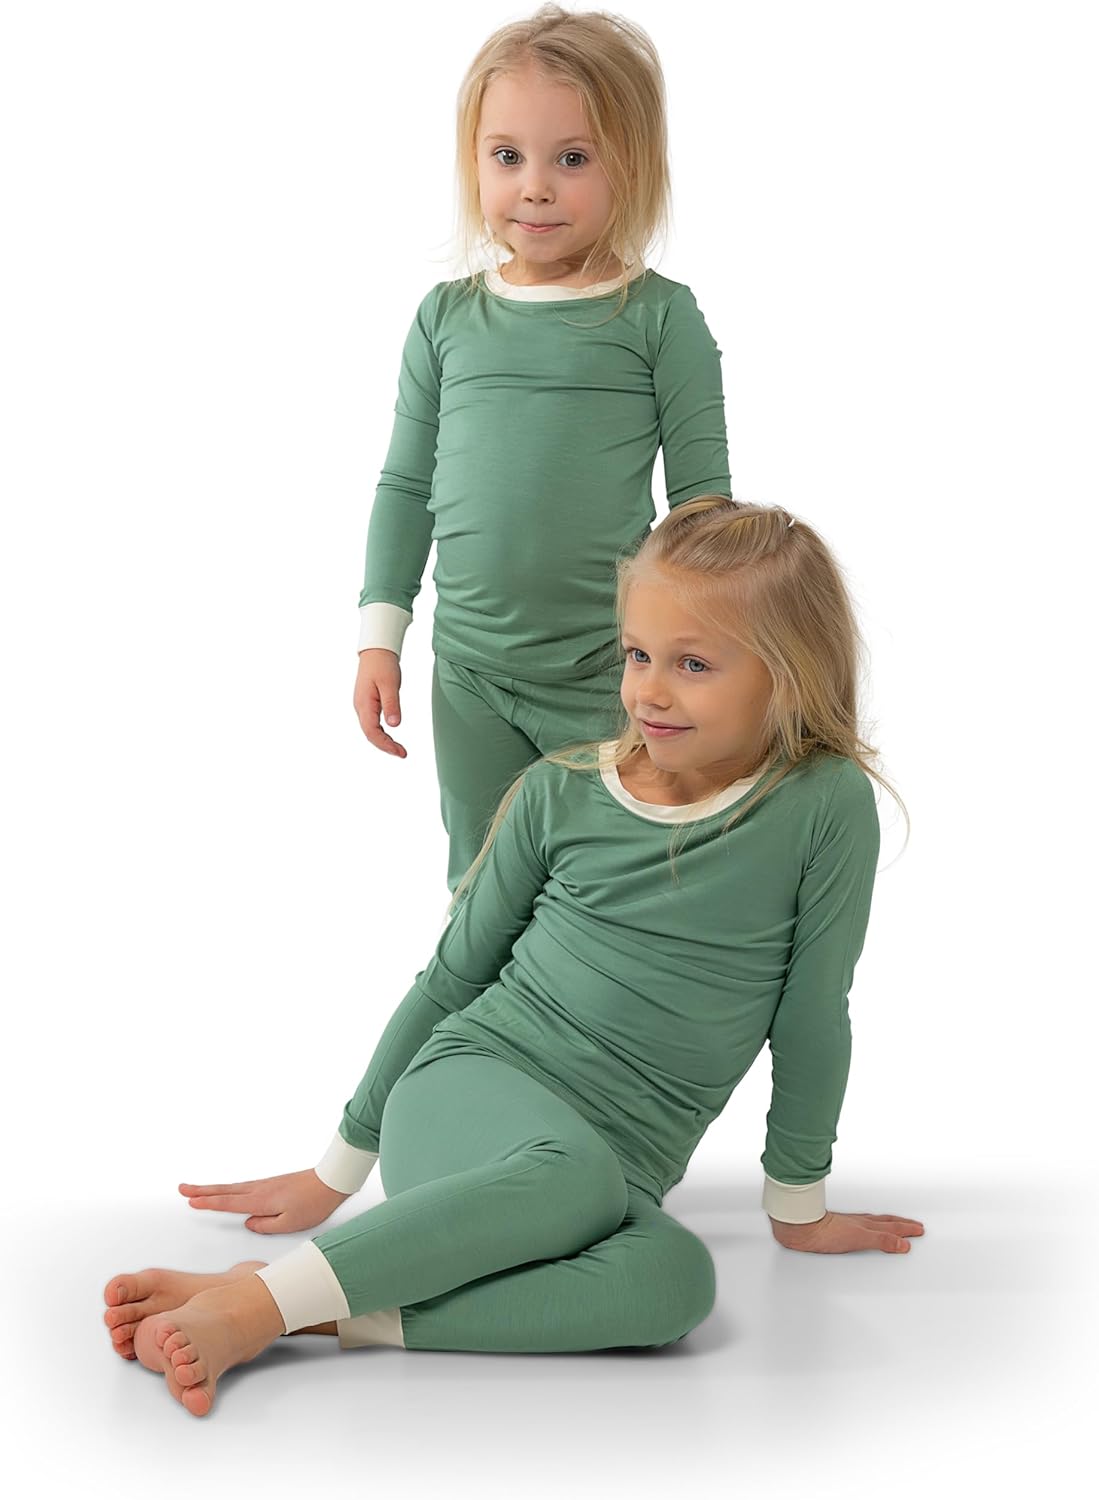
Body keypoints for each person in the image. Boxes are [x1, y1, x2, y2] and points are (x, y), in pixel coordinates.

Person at [104, 499, 923, 1418]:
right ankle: (257, 1310)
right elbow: (451, 979)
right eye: (636, 655)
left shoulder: (821, 803)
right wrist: (338, 1169)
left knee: (674, 1283)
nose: (649, 692)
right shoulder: (557, 793)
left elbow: (812, 1012)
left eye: (692, 664)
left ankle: (311, 1303)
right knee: (570, 1176)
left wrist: (796, 1204)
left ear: (789, 672)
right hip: (469, 1093)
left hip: (614, 1170)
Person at [351, 4, 733, 891]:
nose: (534, 187)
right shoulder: (446, 318)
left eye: (572, 158)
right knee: (482, 884)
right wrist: (379, 636)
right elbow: (406, 486)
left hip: (608, 673)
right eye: (506, 156)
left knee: (610, 879)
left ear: (630, 164)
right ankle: (478, 990)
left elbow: (703, 508)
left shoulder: (658, 317)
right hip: (470, 673)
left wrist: (691, 667)